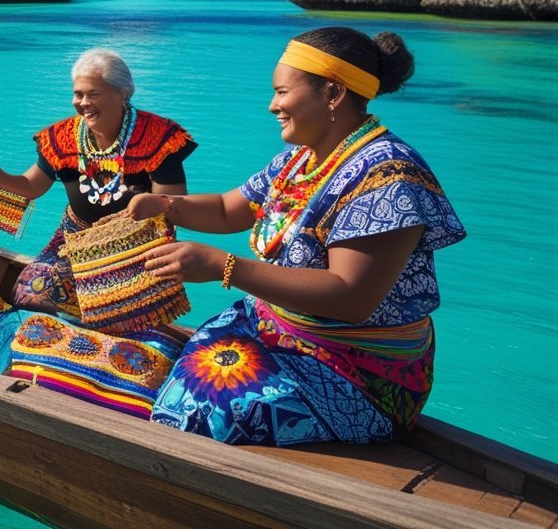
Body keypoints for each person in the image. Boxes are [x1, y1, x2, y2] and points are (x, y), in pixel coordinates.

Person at [127, 27, 465, 446]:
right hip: (285, 332)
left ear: (333, 93)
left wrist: (222, 266)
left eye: (282, 92)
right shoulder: (302, 159)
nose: (273, 106)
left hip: (358, 372)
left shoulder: (388, 176)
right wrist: (165, 206)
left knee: (201, 412)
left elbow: (350, 296)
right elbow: (230, 208)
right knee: (170, 371)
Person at [0, 48, 196, 315]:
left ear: (122, 94)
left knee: (123, 317)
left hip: (137, 250)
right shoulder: (61, 138)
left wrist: (156, 207)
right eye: (78, 94)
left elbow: (177, 208)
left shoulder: (159, 138)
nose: (82, 102)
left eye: (93, 94)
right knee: (30, 294)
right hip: (72, 242)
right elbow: (32, 186)